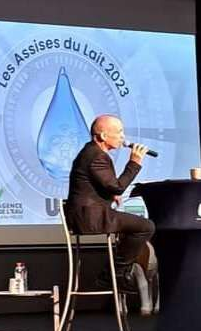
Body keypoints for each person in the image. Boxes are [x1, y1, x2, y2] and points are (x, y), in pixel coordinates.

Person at [65, 114, 155, 282]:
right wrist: (134, 163)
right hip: (90, 217)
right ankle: (116, 273)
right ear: (103, 136)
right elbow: (118, 187)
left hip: (88, 214)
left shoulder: (91, 151)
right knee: (146, 226)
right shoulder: (97, 156)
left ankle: (117, 272)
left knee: (135, 226)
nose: (123, 137)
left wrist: (109, 194)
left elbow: (95, 184)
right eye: (119, 132)